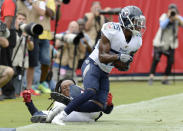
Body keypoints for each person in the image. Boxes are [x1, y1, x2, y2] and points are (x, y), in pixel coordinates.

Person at [51, 5, 146, 125]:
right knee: (91, 91)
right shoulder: (111, 29)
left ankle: (66, 106)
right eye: (136, 20)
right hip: (93, 64)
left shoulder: (137, 40)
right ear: (126, 20)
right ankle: (60, 117)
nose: (139, 24)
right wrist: (118, 57)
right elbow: (102, 57)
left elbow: (123, 66)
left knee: (100, 105)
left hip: (105, 71)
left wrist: (125, 63)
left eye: (140, 21)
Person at [22, 78, 113, 124]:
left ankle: (71, 103)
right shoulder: (59, 102)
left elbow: (106, 111)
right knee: (51, 111)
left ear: (77, 86)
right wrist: (28, 102)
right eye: (64, 88)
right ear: (61, 92)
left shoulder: (87, 93)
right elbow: (36, 115)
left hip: (89, 113)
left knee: (95, 105)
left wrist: (108, 104)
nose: (68, 89)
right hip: (68, 115)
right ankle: (70, 104)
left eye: (70, 86)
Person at [148, 4, 183, 85]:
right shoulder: (164, 16)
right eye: (171, 10)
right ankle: (151, 77)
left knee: (170, 62)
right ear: (168, 10)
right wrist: (169, 18)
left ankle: (165, 79)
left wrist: (177, 18)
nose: (172, 12)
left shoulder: (178, 18)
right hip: (160, 43)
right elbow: (162, 26)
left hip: (171, 44)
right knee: (156, 60)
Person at [11, 12, 34, 96]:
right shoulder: (12, 30)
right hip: (12, 60)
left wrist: (27, 38)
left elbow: (31, 47)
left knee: (18, 83)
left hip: (22, 62)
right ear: (15, 20)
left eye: (23, 19)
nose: (22, 21)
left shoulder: (27, 33)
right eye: (19, 19)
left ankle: (17, 94)